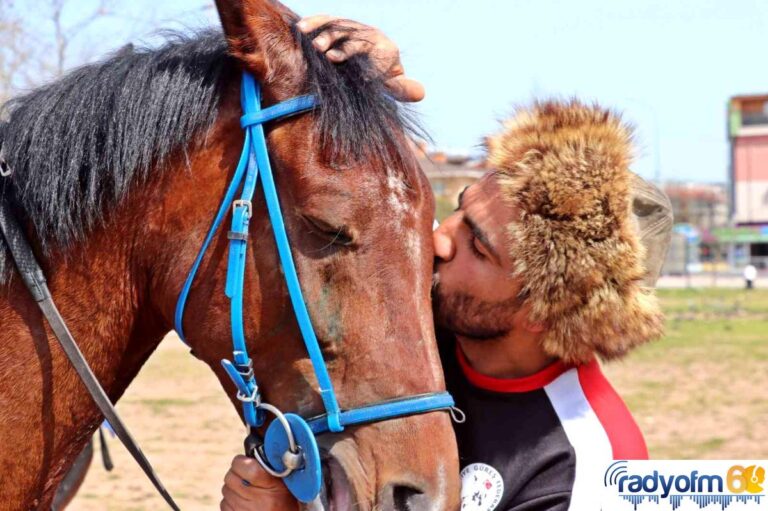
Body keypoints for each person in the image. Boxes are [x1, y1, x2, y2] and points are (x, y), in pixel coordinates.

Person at [219, 15, 673, 511]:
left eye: (478, 248)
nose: (438, 241)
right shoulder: (412, 333)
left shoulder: (588, 472)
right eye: (459, 208)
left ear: (546, 311)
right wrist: (358, 89)